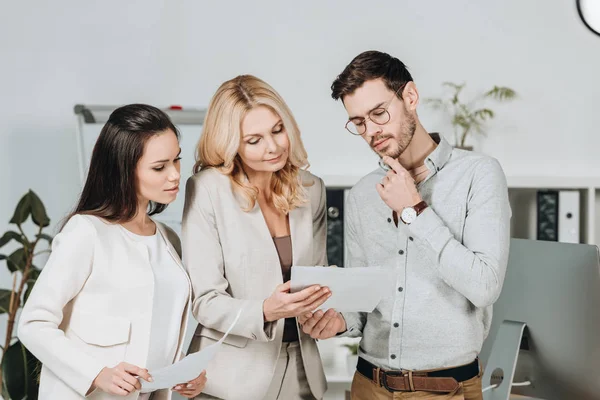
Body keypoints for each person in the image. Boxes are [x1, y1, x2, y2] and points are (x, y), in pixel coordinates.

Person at [298, 51, 512, 400]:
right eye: (359, 123)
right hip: (367, 385)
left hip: (445, 390)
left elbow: (485, 286)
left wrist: (414, 209)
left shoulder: (478, 174)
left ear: (410, 97)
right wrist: (339, 321)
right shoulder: (363, 194)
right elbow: (363, 302)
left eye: (379, 113)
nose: (372, 132)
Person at [18, 104, 207, 400]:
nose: (174, 176)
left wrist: (182, 370)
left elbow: (153, 327)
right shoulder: (86, 232)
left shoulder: (168, 239)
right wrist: (97, 373)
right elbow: (32, 324)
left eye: (177, 160)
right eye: (160, 167)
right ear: (124, 170)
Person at [182, 75, 329, 400]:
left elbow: (319, 276)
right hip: (231, 378)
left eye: (278, 130)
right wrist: (265, 310)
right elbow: (204, 301)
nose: (273, 146)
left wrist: (334, 312)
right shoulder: (207, 190)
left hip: (303, 372)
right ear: (230, 143)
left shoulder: (311, 188)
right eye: (254, 140)